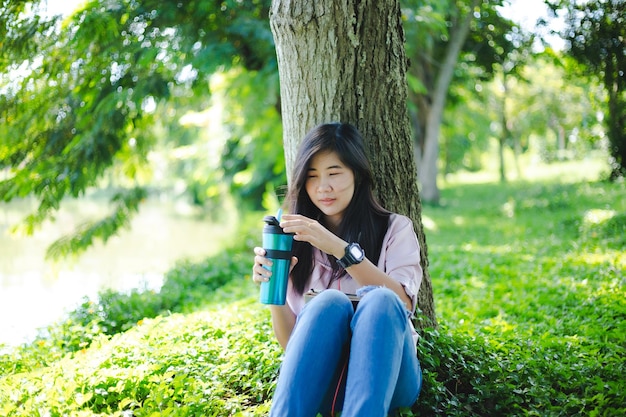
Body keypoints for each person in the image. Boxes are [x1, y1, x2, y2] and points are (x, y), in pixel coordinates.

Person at [252, 122, 423, 417]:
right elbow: (293, 347)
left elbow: (403, 304)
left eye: (334, 173)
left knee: (381, 299)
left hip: (392, 378)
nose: (323, 187)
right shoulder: (292, 238)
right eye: (312, 176)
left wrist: (340, 249)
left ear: (357, 173)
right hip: (326, 382)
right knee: (329, 301)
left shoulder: (396, 228)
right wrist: (273, 291)